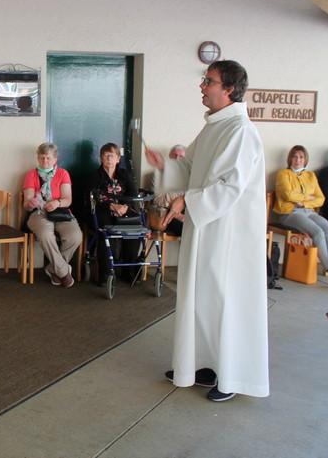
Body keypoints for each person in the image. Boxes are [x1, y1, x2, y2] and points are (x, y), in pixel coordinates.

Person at [145, 60, 268, 402]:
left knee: (224, 300)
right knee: (202, 298)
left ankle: (231, 376)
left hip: (229, 234)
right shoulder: (215, 127)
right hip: (208, 227)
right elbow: (191, 167)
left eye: (208, 81)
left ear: (229, 88)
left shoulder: (240, 131)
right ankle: (203, 364)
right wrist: (165, 165)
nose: (202, 85)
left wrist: (185, 201)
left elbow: (230, 187)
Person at [271, 145, 328, 287]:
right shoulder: (283, 174)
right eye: (294, 157)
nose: (297, 160)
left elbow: (321, 198)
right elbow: (288, 195)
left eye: (301, 157)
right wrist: (308, 197)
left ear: (305, 159)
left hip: (308, 211)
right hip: (289, 213)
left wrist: (303, 202)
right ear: (290, 159)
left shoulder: (310, 175)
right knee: (317, 232)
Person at [22, 143, 83, 287]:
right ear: (38, 158)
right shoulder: (31, 174)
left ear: (55, 159)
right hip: (38, 212)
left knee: (75, 237)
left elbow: (68, 199)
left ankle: (53, 269)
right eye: (42, 158)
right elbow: (26, 202)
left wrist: (57, 203)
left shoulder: (63, 173)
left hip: (60, 211)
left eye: (48, 158)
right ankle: (63, 272)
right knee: (45, 235)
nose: (45, 161)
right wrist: (30, 203)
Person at [87, 143, 140, 282]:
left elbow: (132, 194)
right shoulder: (94, 176)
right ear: (101, 158)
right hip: (102, 211)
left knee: (135, 230)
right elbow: (93, 198)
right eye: (106, 155)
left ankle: (129, 272)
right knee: (106, 231)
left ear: (118, 158)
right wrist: (111, 207)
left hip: (124, 210)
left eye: (112, 156)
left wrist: (124, 207)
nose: (109, 159)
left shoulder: (125, 175)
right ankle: (105, 274)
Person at [151, 145, 187, 236]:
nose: (177, 158)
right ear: (169, 157)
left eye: (181, 156)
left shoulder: (190, 176)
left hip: (187, 214)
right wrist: (177, 214)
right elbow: (158, 201)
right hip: (166, 214)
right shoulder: (158, 174)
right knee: (187, 231)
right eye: (174, 155)